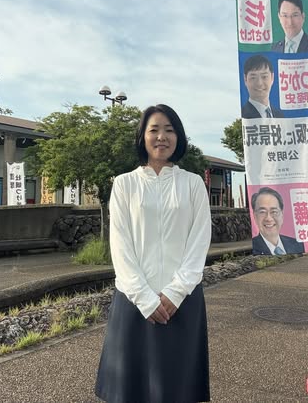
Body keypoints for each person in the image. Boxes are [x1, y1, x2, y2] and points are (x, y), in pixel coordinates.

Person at [95, 104, 212, 403]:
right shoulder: (124, 184)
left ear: (178, 137)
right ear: (142, 137)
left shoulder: (193, 184)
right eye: (154, 130)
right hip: (134, 301)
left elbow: (199, 241)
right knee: (131, 391)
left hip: (182, 302)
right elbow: (120, 245)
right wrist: (145, 298)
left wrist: (176, 291)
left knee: (178, 389)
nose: (162, 137)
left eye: (169, 130)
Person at [251, 186, 305, 255]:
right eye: (262, 212)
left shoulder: (297, 244)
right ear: (255, 216)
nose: (268, 218)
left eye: (274, 212)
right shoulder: (252, 248)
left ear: (282, 214)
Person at [240, 54, 284, 119]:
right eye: (253, 78)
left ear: (272, 77)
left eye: (264, 77)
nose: (259, 83)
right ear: (245, 79)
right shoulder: (243, 115)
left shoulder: (280, 116)